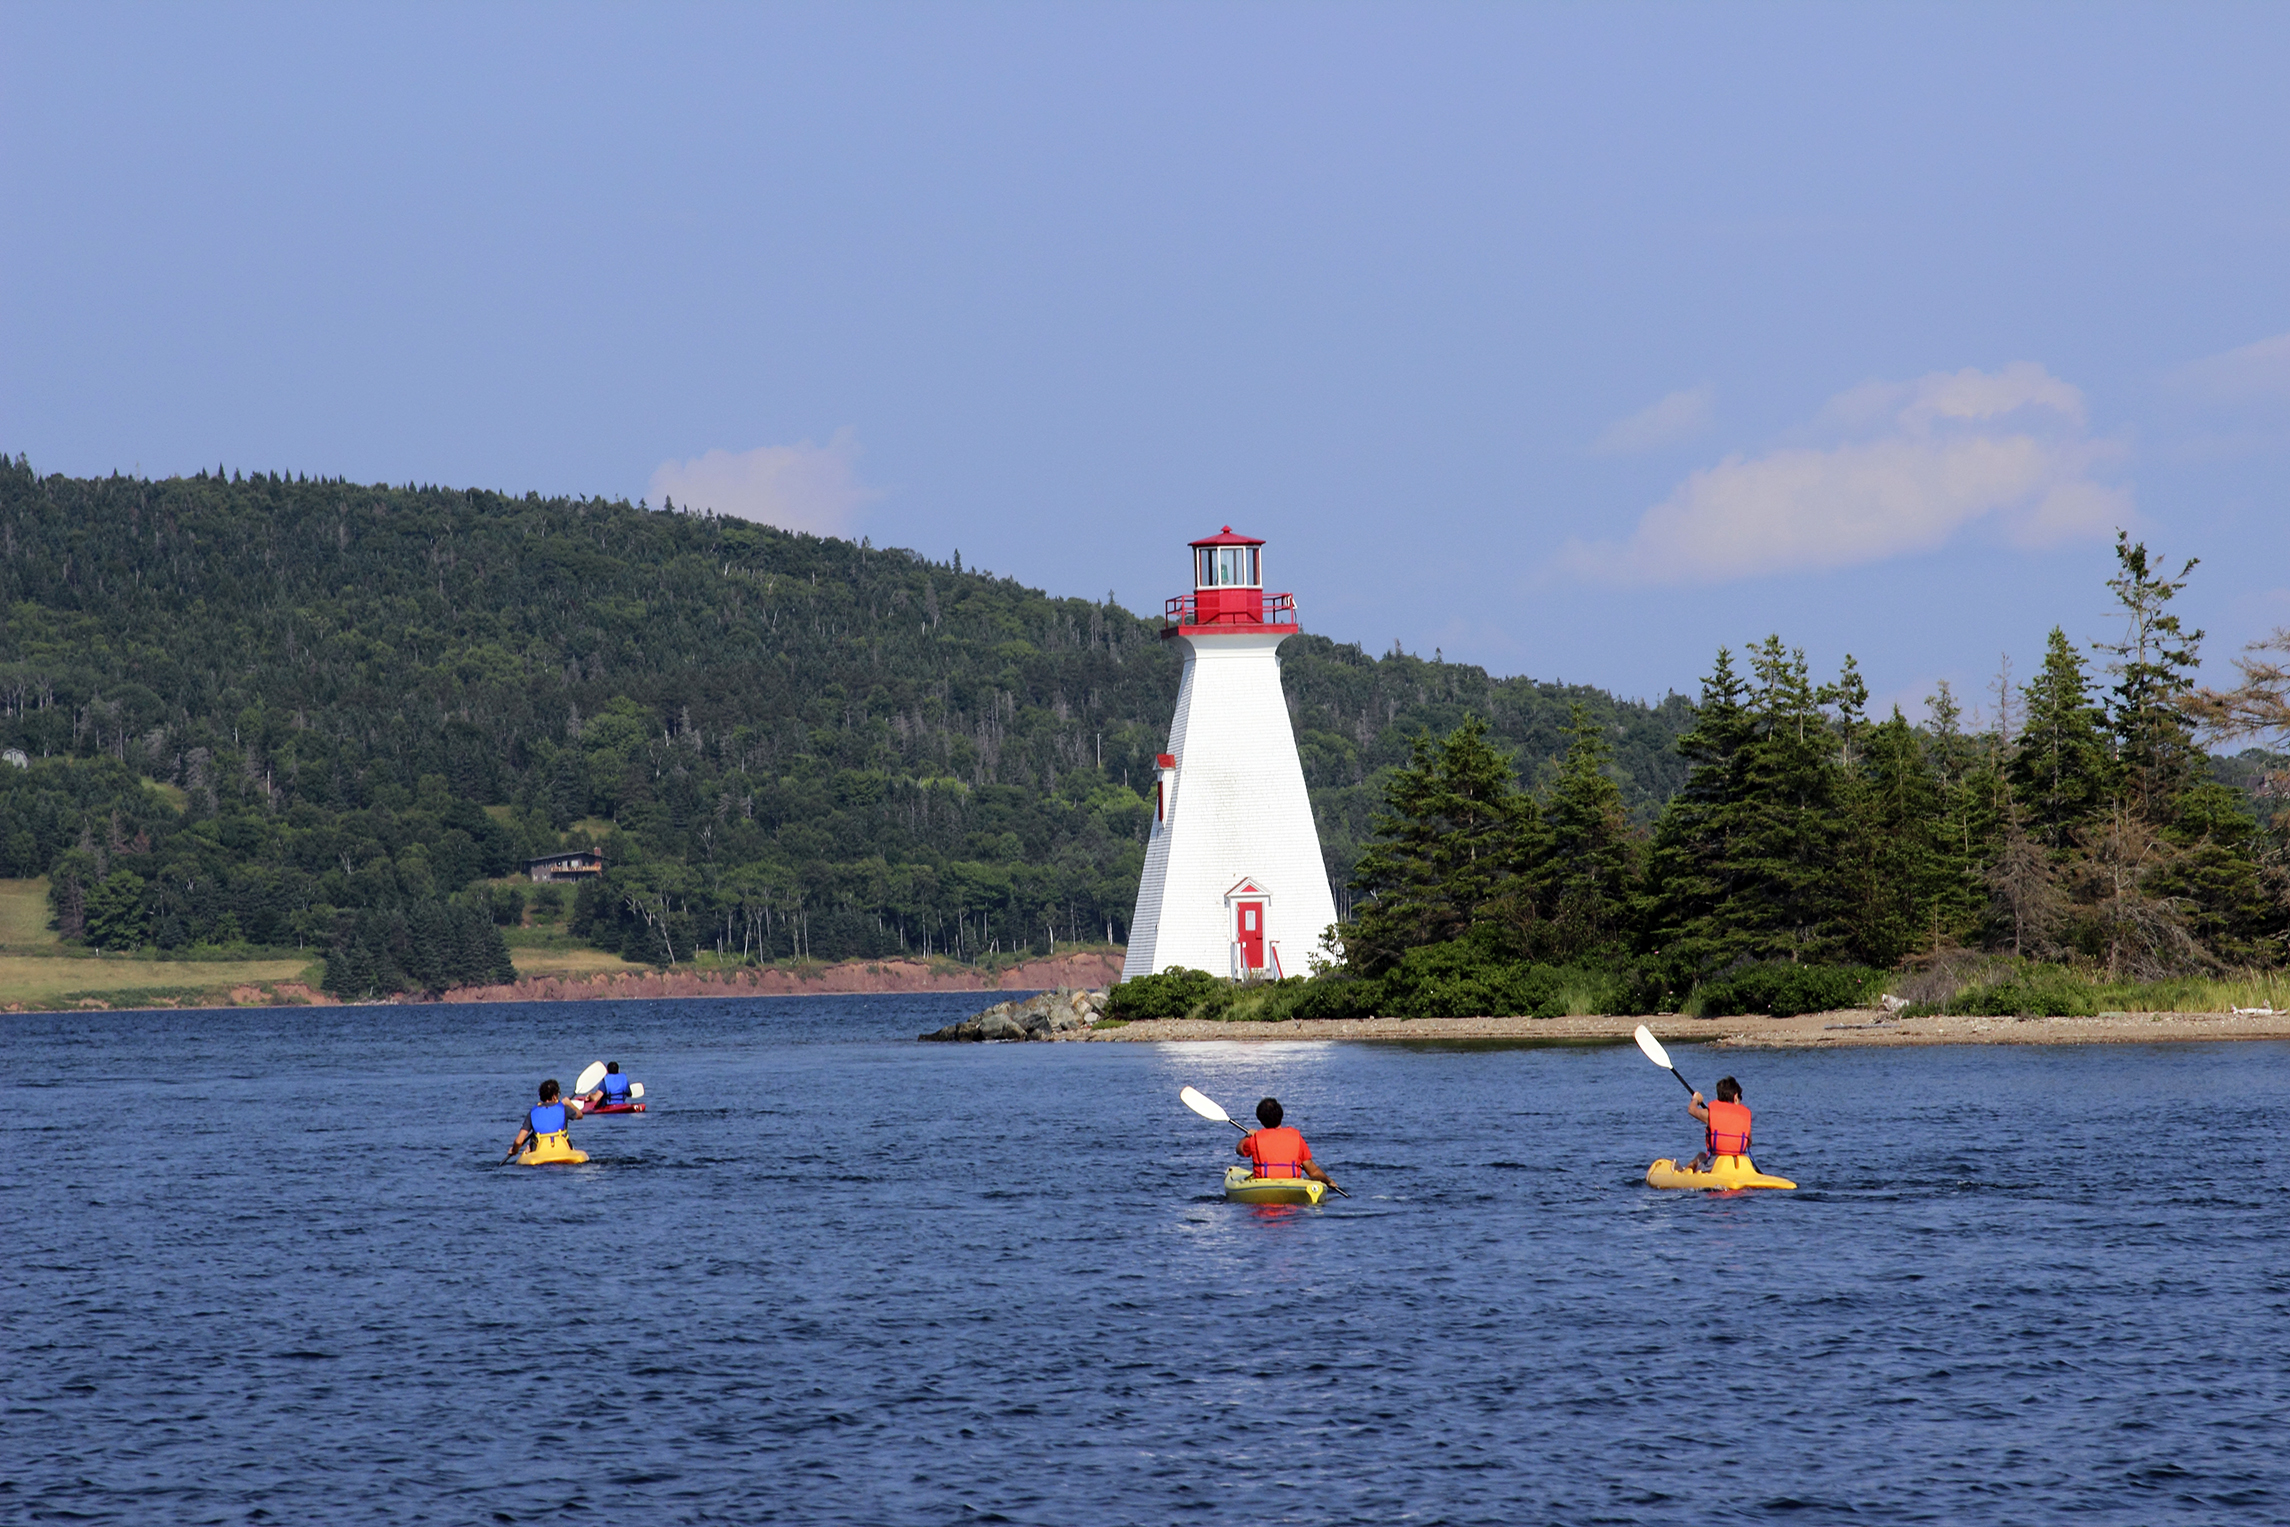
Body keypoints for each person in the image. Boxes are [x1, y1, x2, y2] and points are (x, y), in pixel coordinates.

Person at [1236, 1097, 1339, 1191]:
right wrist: (1328, 1181)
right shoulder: (1296, 1138)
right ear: (1281, 1115)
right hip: (1292, 1186)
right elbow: (1313, 1171)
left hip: (1264, 1187)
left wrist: (1249, 1135)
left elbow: (1239, 1149)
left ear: (1261, 1120)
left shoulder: (1256, 1139)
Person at [1687, 1075, 1752, 1171]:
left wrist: (1696, 1099)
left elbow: (1691, 1110)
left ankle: (1684, 1172)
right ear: (1735, 1097)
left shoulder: (1710, 1114)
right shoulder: (1744, 1115)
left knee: (1700, 1156)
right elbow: (1749, 1142)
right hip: (1740, 1164)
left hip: (1715, 1163)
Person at [505, 1079, 577, 1161]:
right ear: (554, 1096)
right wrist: (569, 1104)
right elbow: (579, 1115)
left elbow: (519, 1141)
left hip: (539, 1155)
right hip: (564, 1152)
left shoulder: (533, 1112)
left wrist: (514, 1150)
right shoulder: (564, 1109)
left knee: (528, 1148)